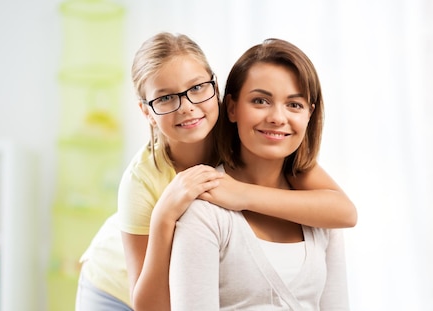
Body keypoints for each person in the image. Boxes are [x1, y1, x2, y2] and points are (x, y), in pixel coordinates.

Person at [76, 32, 356, 311]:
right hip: (115, 287)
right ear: (146, 111)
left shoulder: (251, 131)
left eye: (197, 88)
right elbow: (150, 306)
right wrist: (164, 216)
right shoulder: (142, 179)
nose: (187, 108)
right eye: (165, 98)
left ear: (216, 87)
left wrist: (242, 194)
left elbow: (343, 211)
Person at [169, 38, 349, 310]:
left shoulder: (320, 213)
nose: (278, 117)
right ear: (231, 108)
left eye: (294, 105)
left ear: (310, 115)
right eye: (260, 100)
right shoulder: (205, 212)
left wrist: (244, 195)